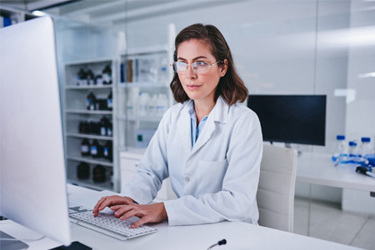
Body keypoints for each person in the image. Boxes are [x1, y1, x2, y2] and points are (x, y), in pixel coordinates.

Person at [93, 23, 263, 229]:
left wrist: (166, 209)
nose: (189, 74)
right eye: (182, 63)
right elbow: (149, 172)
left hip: (232, 230)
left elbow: (238, 201)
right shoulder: (173, 117)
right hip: (187, 228)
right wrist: (129, 199)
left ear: (222, 67)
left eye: (200, 63)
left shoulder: (243, 121)